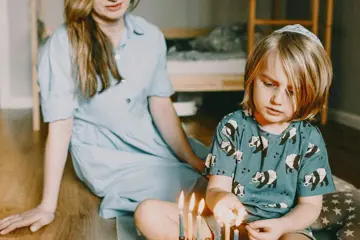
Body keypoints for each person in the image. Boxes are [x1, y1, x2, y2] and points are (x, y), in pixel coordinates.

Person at [0, 0, 208, 235]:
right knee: (203, 191)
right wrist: (47, 206)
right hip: (108, 159)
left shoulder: (150, 35)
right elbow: (60, 128)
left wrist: (192, 159)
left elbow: (160, 104)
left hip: (152, 141)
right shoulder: (62, 45)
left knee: (226, 174)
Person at [134, 24, 336, 240]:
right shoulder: (232, 126)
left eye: (291, 91)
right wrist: (221, 200)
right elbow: (216, 189)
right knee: (147, 212)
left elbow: (310, 207)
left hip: (283, 230)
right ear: (253, 77)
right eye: (269, 84)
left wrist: (281, 226)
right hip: (225, 227)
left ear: (310, 94)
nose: (277, 99)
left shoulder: (310, 139)